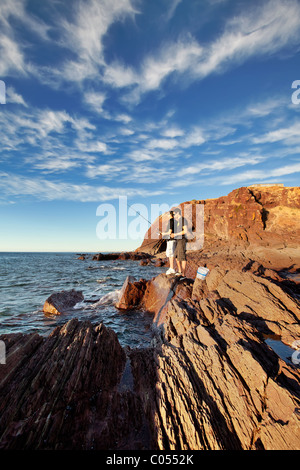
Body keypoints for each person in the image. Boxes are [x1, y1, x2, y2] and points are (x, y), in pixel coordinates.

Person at [160, 211, 177, 275]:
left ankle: (172, 269)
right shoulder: (175, 221)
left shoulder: (171, 221)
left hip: (171, 240)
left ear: (170, 215)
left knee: (171, 253)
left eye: (167, 214)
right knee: (170, 253)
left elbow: (170, 232)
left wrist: (163, 233)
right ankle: (171, 268)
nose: (167, 215)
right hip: (173, 239)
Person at [173, 207, 188, 276]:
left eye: (174, 214)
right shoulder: (178, 221)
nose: (173, 215)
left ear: (178, 213)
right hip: (178, 240)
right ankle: (180, 271)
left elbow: (185, 231)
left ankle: (183, 274)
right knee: (176, 256)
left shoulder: (183, 220)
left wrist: (176, 234)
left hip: (182, 240)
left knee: (182, 257)